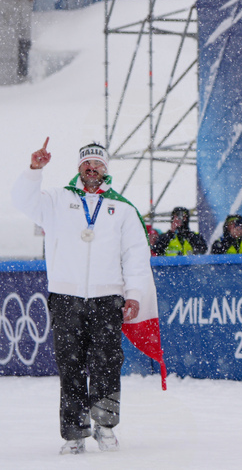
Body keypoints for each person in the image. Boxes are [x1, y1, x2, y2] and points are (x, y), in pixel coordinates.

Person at [11, 140, 152, 454]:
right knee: (70, 367)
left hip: (107, 298)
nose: (91, 168)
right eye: (86, 163)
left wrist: (133, 294)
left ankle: (105, 426)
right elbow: (22, 200)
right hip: (66, 297)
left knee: (107, 365)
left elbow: (135, 256)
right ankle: (74, 433)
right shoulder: (57, 200)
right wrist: (34, 171)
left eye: (97, 164)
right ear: (79, 168)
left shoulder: (122, 208)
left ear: (105, 169)